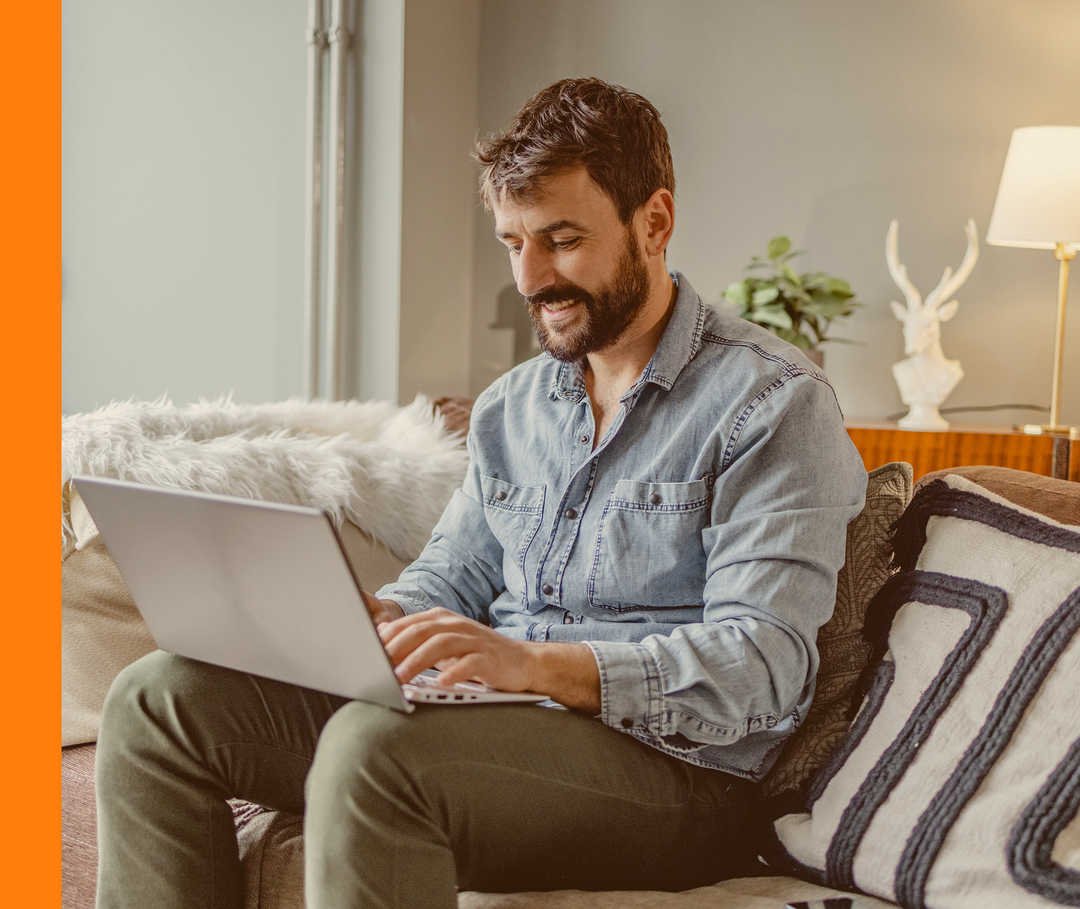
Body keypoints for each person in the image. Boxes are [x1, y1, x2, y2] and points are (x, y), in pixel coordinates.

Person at [95, 77, 867, 909]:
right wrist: (368, 623)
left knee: (372, 747)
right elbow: (446, 580)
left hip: (681, 773)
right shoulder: (514, 407)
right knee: (155, 699)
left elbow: (764, 664)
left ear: (654, 221)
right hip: (497, 727)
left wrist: (537, 665)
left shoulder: (772, 402)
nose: (531, 277)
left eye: (562, 239)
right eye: (512, 242)